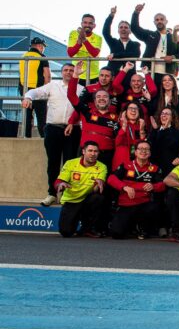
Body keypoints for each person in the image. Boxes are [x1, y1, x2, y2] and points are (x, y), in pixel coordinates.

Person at [23, 63, 82, 206]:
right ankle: (52, 193)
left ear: (76, 73)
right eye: (65, 70)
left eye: (71, 70)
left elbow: (81, 110)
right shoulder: (53, 86)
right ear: (61, 72)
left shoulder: (82, 90)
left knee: (70, 163)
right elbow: (34, 92)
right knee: (53, 163)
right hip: (53, 129)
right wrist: (28, 98)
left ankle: (66, 194)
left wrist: (72, 123)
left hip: (73, 130)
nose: (68, 73)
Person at [107, 140, 165, 239]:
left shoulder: (155, 168)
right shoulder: (125, 165)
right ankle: (131, 227)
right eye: (141, 149)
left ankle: (142, 228)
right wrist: (124, 187)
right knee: (117, 234)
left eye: (146, 149)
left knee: (154, 207)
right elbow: (111, 179)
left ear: (150, 153)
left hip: (144, 204)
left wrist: (153, 186)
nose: (144, 151)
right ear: (135, 152)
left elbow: (163, 185)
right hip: (126, 204)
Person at [68, 64, 120, 168]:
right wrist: (75, 75)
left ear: (110, 101)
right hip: (86, 154)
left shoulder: (116, 118)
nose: (102, 99)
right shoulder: (87, 112)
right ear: (94, 100)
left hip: (106, 155)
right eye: (98, 97)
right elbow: (71, 96)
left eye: (105, 97)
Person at [54, 141, 107, 238]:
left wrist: (99, 183)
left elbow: (99, 183)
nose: (93, 154)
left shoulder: (102, 167)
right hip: (72, 200)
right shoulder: (70, 163)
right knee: (65, 232)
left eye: (96, 151)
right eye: (90, 151)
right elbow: (58, 181)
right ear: (83, 151)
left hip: (87, 200)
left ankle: (87, 229)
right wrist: (60, 184)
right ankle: (75, 219)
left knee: (98, 198)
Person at [131, 3, 179, 89]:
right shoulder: (150, 35)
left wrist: (172, 57)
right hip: (152, 70)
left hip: (169, 72)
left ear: (166, 21)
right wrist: (136, 13)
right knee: (153, 96)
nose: (159, 21)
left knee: (169, 99)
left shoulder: (174, 37)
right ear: (154, 22)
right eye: (157, 20)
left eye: (161, 19)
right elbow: (135, 28)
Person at [19, 36, 50, 138]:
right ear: (39, 46)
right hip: (38, 90)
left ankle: (26, 137)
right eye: (43, 47)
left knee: (27, 116)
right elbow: (47, 75)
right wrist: (47, 90)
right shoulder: (42, 57)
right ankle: (44, 138)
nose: (43, 49)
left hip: (24, 90)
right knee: (41, 117)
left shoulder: (23, 57)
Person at [102, 6, 141, 77]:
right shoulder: (113, 42)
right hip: (114, 76)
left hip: (129, 76)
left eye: (126, 27)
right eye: (121, 27)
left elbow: (135, 54)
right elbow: (105, 32)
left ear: (130, 31)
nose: (123, 29)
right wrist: (111, 15)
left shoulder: (136, 44)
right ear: (118, 30)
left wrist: (115, 55)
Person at [148, 106, 179, 178]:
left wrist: (164, 130)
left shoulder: (177, 132)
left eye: (167, 114)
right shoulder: (155, 130)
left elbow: (170, 146)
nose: (164, 115)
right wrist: (156, 131)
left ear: (172, 118)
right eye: (162, 113)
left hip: (168, 168)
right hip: (153, 167)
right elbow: (152, 147)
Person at [67, 13, 103, 84]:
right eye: (85, 22)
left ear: (94, 25)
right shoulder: (73, 33)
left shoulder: (98, 38)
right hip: (76, 74)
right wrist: (79, 43)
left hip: (93, 75)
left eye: (90, 23)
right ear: (81, 24)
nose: (87, 25)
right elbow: (70, 53)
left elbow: (94, 54)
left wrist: (84, 40)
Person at [112, 102, 147, 171]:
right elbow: (118, 143)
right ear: (125, 112)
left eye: (136, 109)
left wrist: (142, 130)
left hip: (137, 160)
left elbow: (143, 145)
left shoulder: (142, 125)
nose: (133, 110)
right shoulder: (118, 124)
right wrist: (124, 126)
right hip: (121, 159)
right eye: (130, 108)